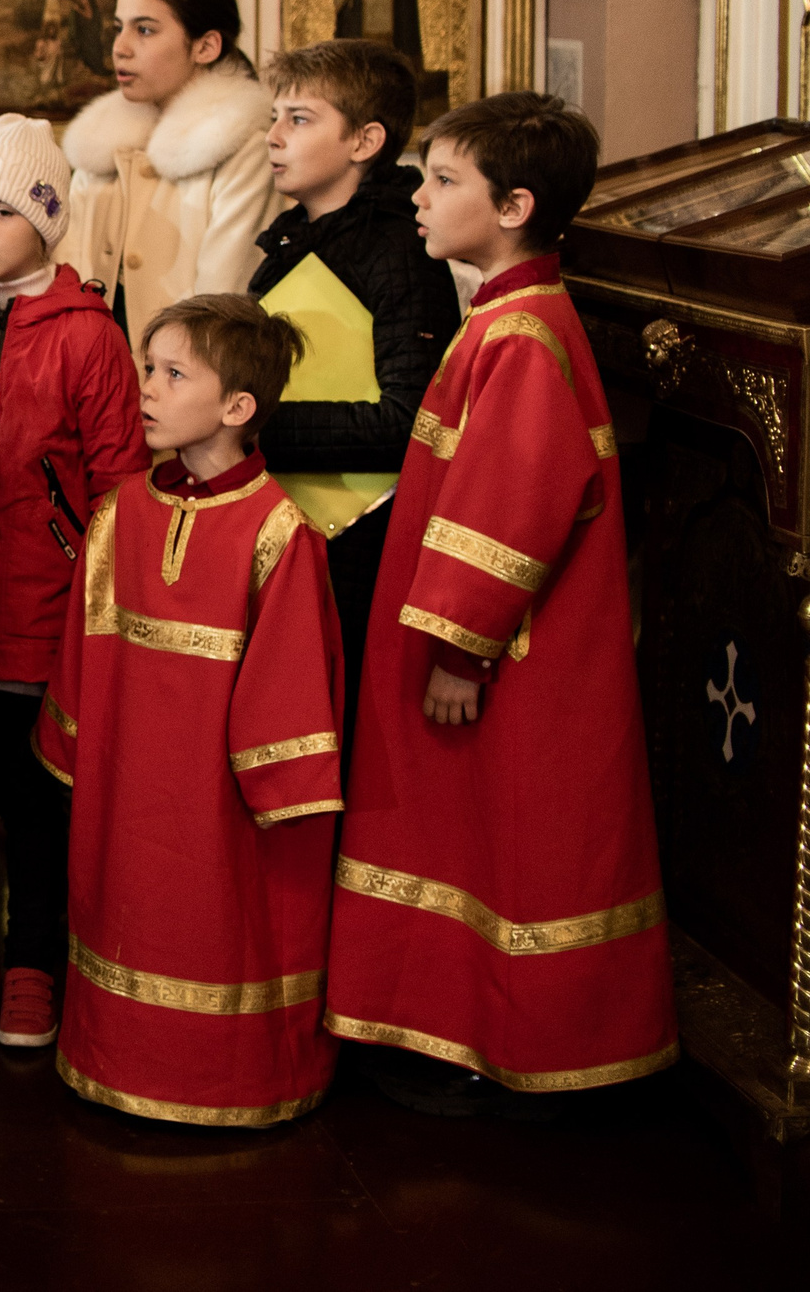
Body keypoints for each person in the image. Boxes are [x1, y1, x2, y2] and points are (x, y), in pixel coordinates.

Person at [325, 94, 677, 1114]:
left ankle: (504, 1037)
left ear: (514, 203)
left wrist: (461, 650)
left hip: (508, 654)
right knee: (476, 833)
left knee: (510, 836)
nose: (419, 198)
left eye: (442, 181)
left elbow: (511, 510)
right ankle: (464, 1026)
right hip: (492, 646)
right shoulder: (505, 315)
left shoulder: (520, 334)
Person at [34, 294, 346, 1126]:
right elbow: (83, 651)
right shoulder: (120, 514)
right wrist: (76, 747)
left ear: (238, 408)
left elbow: (288, 684)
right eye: (148, 369)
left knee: (217, 922)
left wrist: (271, 790)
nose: (148, 389)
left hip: (225, 807)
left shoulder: (279, 532)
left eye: (174, 374)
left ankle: (226, 1080)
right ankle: (116, 1054)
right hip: (125, 788)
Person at [0, 116, 148, 1051]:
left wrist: (99, 605)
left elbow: (119, 481)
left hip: (41, 615)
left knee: (40, 806)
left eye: (2, 211)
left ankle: (35, 963)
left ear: (47, 221)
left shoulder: (89, 334)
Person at [251, 40, 461, 736]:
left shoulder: (402, 250)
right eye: (275, 116)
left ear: (365, 140)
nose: (274, 136)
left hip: (361, 542)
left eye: (301, 119)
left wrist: (256, 429)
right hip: (291, 529)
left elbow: (408, 420)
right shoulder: (288, 244)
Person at [59, 0, 279, 343]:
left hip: (187, 380)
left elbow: (223, 303)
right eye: (117, 28)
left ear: (206, 46)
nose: (120, 48)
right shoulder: (101, 146)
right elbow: (67, 276)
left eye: (144, 30)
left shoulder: (242, 147)